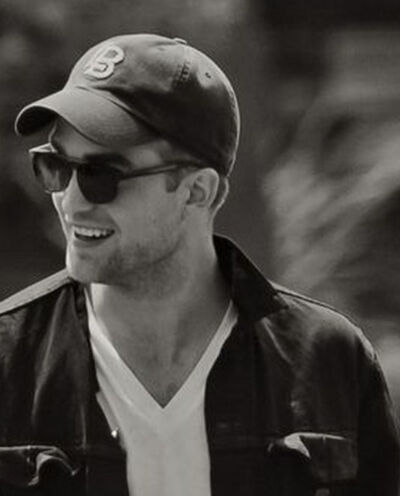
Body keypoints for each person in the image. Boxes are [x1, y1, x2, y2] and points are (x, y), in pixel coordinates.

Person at [0, 33, 398, 496]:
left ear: (197, 192)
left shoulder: (331, 359)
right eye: (55, 166)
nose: (70, 201)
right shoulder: (8, 362)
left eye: (100, 175)